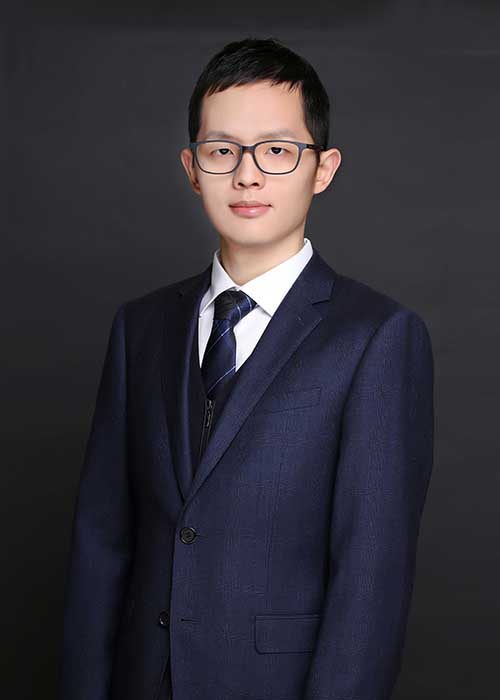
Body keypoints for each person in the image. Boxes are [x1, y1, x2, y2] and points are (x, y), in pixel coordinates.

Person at [58, 37, 434, 700]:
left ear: (323, 169)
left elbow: (370, 580)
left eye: (277, 151)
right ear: (192, 166)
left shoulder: (377, 336)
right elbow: (102, 543)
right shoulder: (140, 327)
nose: (247, 176)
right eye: (222, 150)